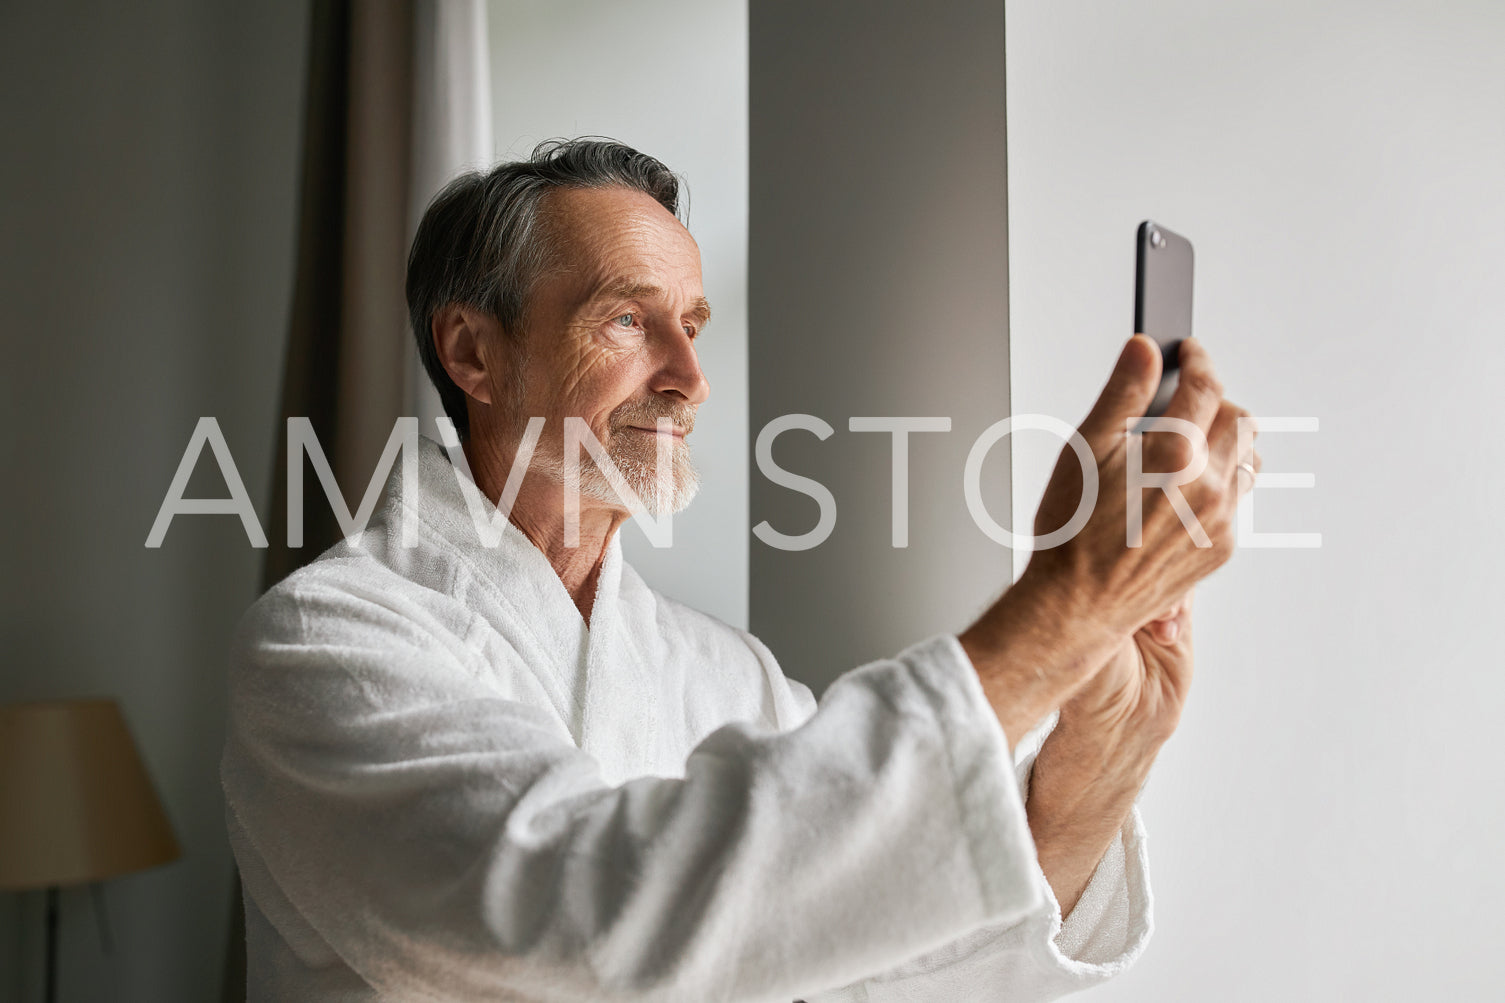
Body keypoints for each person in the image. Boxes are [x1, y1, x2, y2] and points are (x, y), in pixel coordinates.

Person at [222, 139, 1260, 1002]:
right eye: (628, 320)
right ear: (473, 353)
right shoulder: (327, 644)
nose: (688, 377)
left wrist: (1089, 772)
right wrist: (1061, 610)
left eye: (692, 325)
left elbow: (888, 967)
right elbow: (584, 927)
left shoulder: (728, 674)